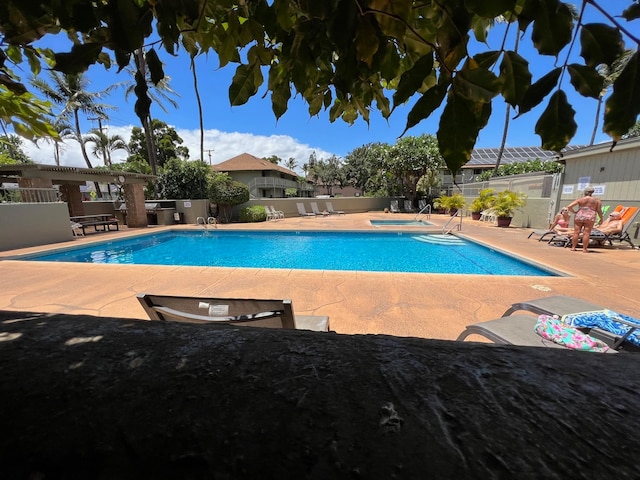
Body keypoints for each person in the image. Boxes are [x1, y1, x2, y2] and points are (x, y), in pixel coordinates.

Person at [567, 187, 603, 252]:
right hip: (590, 216)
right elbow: (599, 210)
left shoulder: (580, 199)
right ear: (592, 192)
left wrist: (574, 212)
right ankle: (584, 249)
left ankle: (573, 247)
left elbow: (569, 206)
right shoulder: (597, 200)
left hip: (579, 215)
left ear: (585, 192)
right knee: (586, 233)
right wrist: (601, 218)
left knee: (576, 232)